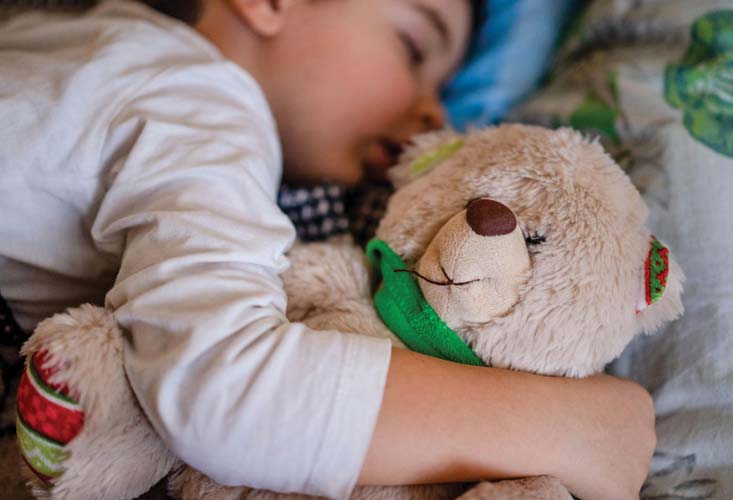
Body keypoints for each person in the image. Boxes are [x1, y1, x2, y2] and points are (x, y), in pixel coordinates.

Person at [0, 1, 655, 499]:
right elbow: (222, 386)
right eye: (412, 44)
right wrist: (570, 424)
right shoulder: (197, 102)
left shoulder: (93, 47)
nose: (435, 112)